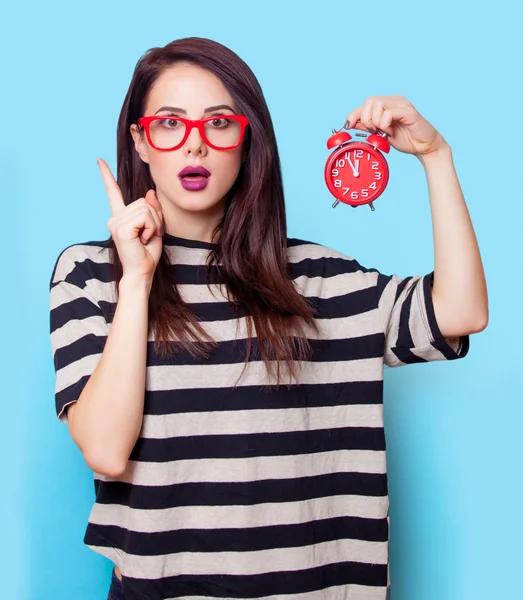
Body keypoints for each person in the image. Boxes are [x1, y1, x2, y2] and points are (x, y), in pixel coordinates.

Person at [49, 36, 488, 600]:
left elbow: (462, 311)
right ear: (140, 141)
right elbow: (106, 451)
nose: (195, 146)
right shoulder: (91, 275)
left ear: (245, 138)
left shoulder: (316, 279)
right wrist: (138, 279)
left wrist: (436, 156)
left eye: (219, 123)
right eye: (169, 123)